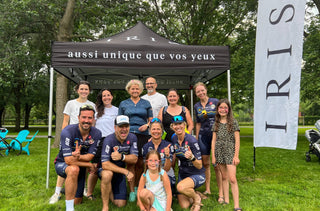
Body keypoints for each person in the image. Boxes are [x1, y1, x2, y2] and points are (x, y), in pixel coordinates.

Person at [49, 80, 96, 204]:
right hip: (71, 137)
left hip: (85, 137)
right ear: (77, 90)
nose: (84, 91)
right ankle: (57, 192)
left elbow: (93, 122)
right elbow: (65, 120)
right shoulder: (70, 103)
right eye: (82, 89)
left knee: (84, 161)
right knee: (67, 162)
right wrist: (64, 138)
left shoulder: (92, 104)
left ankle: (83, 188)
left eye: (86, 89)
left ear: (89, 91)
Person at [53, 104, 101, 211]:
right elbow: (68, 160)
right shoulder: (67, 131)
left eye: (89, 118)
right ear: (78, 118)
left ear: (93, 119)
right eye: (84, 117)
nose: (86, 120)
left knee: (77, 201)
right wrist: (88, 164)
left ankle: (68, 188)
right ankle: (69, 209)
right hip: (62, 163)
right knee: (73, 169)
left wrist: (79, 158)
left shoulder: (97, 133)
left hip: (79, 166)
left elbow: (90, 156)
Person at [118, 79, 153, 201]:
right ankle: (132, 190)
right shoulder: (123, 104)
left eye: (137, 88)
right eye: (132, 88)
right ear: (129, 90)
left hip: (143, 135)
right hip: (128, 135)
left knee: (140, 162)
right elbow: (119, 120)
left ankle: (139, 186)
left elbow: (151, 120)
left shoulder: (146, 103)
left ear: (140, 90)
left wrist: (147, 125)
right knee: (130, 162)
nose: (135, 90)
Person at [100, 115, 138, 211]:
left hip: (119, 172)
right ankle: (105, 206)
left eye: (126, 126)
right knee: (107, 174)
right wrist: (125, 172)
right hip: (106, 170)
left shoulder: (133, 137)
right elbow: (105, 164)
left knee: (120, 204)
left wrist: (122, 157)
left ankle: (111, 190)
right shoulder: (108, 140)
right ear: (115, 128)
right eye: (121, 126)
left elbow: (134, 159)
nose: (124, 129)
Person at [86, 88, 118, 199]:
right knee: (94, 167)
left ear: (112, 96)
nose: (106, 97)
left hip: (113, 141)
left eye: (108, 95)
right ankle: (89, 193)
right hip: (99, 141)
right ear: (101, 98)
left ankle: (111, 191)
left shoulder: (117, 110)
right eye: (104, 95)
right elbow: (92, 126)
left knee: (111, 167)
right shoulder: (96, 110)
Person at [193, 82, 223, 200]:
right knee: (205, 163)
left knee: (217, 164)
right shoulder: (197, 106)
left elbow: (222, 117)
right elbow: (198, 122)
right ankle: (208, 188)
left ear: (206, 90)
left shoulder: (215, 102)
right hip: (203, 136)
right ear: (196, 94)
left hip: (216, 135)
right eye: (198, 92)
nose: (201, 93)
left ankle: (221, 191)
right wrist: (196, 137)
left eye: (202, 90)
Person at [211, 99, 242, 211]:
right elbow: (213, 141)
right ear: (217, 109)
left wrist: (236, 155)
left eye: (225, 107)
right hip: (219, 152)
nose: (223, 110)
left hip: (230, 152)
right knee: (224, 177)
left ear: (228, 109)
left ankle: (236, 205)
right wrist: (213, 156)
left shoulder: (233, 122)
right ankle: (226, 200)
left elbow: (237, 140)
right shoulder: (216, 123)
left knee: (232, 178)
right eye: (221, 107)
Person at [170, 115, 205, 211]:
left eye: (180, 124)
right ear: (172, 127)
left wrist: (192, 158)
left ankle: (196, 198)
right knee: (184, 206)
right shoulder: (173, 139)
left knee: (181, 187)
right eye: (175, 124)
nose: (178, 126)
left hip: (197, 174)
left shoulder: (192, 140)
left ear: (184, 125)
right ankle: (195, 193)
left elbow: (200, 165)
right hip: (183, 174)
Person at [141, 118, 176, 194]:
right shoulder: (146, 147)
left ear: (162, 131)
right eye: (153, 129)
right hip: (151, 175)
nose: (156, 131)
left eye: (158, 129)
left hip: (166, 176)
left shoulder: (168, 145)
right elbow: (146, 167)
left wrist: (167, 156)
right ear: (150, 131)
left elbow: (167, 168)